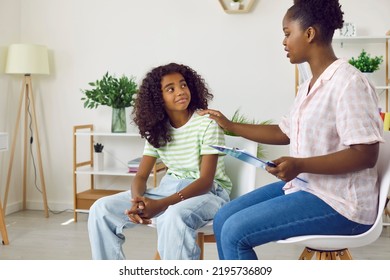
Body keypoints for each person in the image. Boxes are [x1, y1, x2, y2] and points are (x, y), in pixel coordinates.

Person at [199, 0, 384, 260]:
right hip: (307, 187)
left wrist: (299, 164)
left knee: (234, 232)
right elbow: (284, 132)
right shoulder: (308, 86)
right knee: (223, 218)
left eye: (287, 33)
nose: (283, 42)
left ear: (309, 34)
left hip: (342, 205)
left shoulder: (349, 83)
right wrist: (230, 126)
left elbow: (365, 155)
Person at [88, 62, 232, 260]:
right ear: (158, 98)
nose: (180, 91)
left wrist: (162, 204)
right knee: (101, 209)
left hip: (208, 193)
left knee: (173, 215)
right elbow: (140, 175)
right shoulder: (157, 129)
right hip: (168, 189)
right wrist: (137, 201)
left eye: (183, 85)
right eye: (170, 89)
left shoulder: (207, 123)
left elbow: (205, 181)